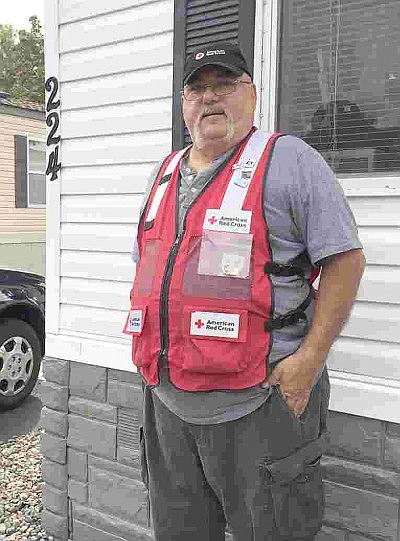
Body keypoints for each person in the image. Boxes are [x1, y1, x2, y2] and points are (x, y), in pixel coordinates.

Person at [125, 41, 366, 541]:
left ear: (251, 93)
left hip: (257, 405)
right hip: (168, 405)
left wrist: (310, 361)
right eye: (197, 88)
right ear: (182, 102)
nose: (209, 98)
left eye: (225, 84)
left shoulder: (290, 161)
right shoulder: (164, 173)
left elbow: (345, 262)